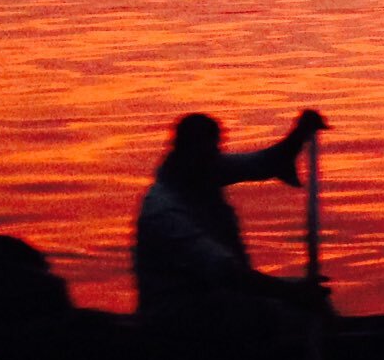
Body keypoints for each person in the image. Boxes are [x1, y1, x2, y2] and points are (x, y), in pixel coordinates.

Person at [132, 109, 329, 338]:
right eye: (208, 154)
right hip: (177, 317)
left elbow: (266, 163)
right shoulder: (165, 211)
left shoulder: (204, 170)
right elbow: (226, 271)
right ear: (185, 154)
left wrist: (300, 133)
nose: (215, 160)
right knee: (290, 312)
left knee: (312, 301)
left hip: (216, 298)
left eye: (215, 150)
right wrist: (293, 293)